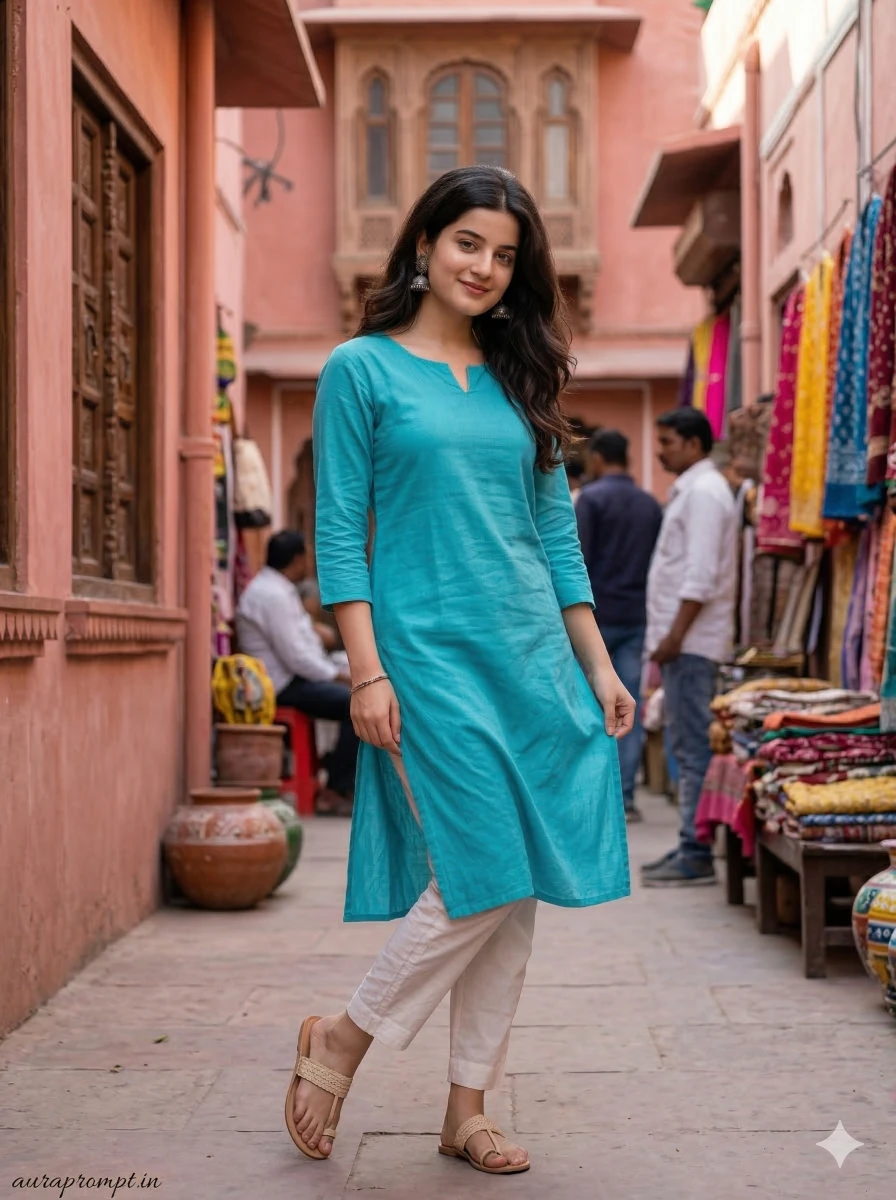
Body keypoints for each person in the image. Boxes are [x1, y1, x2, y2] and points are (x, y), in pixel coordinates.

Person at [284, 165, 634, 1176]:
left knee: (511, 893)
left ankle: (465, 1107)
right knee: (476, 876)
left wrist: (598, 670)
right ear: (425, 245)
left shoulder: (521, 378)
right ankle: (341, 1038)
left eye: (505, 253)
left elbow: (553, 541)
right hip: (423, 657)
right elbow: (338, 531)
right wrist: (364, 672)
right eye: (467, 242)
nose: (483, 266)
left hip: (531, 658)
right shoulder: (361, 368)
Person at [641, 409, 738, 886]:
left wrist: (674, 637)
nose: (662, 451)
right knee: (686, 742)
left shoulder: (704, 494)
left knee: (693, 746)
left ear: (696, 445)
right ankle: (689, 841)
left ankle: (695, 850)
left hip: (692, 644)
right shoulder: (695, 491)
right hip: (685, 643)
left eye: (669, 441)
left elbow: (699, 575)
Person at [235, 530, 358, 816]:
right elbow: (297, 658)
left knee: (355, 692)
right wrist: (339, 676)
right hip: (280, 685)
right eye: (307, 557)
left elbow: (303, 647)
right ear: (297, 559)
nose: (310, 563)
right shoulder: (271, 595)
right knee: (357, 703)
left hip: (293, 676)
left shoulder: (279, 590)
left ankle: (336, 768)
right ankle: (335, 790)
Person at [576, 429, 662, 822]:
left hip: (593, 621)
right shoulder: (649, 504)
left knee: (586, 705)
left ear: (596, 458)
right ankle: (624, 797)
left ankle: (592, 795)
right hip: (635, 616)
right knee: (629, 705)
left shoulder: (590, 499)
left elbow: (576, 563)